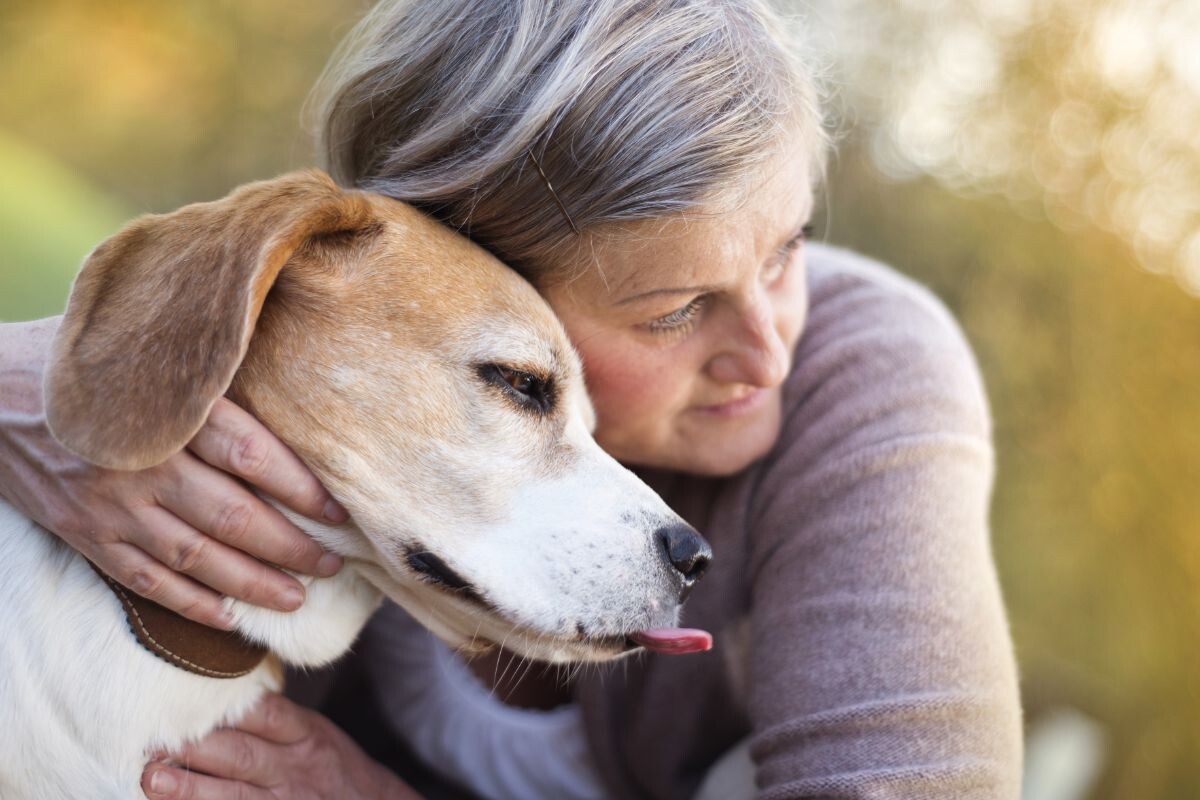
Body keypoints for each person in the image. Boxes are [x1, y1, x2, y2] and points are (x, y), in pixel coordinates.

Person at [0, 0, 1023, 797]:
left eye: (790, 246)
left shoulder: (864, 376)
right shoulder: (360, 308)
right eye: (674, 307)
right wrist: (38, 390)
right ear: (472, 262)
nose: (768, 349)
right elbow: (148, 346)